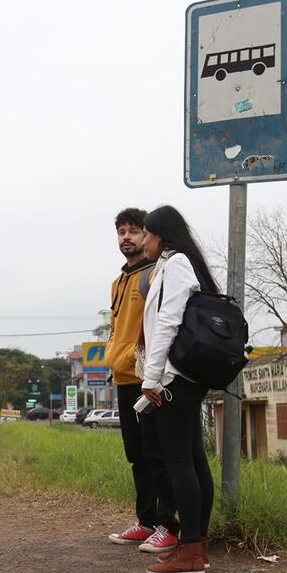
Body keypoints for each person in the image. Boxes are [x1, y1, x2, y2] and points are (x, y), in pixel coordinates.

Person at [139, 205, 219, 573]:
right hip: (182, 377)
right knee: (191, 460)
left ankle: (189, 551)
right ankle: (196, 548)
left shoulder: (177, 264)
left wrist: (151, 378)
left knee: (180, 462)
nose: (142, 241)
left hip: (174, 378)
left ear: (160, 236)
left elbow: (167, 323)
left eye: (146, 234)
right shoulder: (178, 263)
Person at [106, 208, 180, 555]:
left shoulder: (156, 273)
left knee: (157, 454)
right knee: (136, 454)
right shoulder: (119, 280)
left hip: (148, 377)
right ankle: (146, 521)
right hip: (123, 376)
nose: (127, 237)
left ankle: (169, 525)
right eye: (121, 231)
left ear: (147, 235)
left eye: (134, 231)